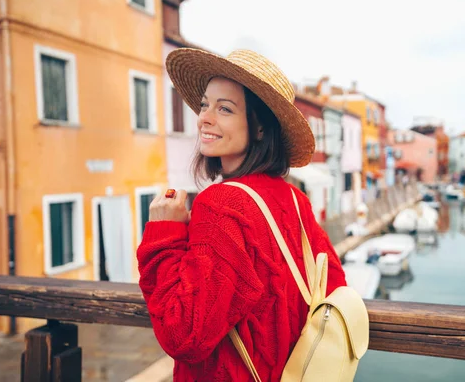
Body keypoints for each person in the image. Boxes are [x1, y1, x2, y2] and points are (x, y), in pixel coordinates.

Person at [136, 49, 347, 381]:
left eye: (225, 109)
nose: (204, 117)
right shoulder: (294, 199)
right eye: (205, 105)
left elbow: (185, 336)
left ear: (260, 128)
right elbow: (335, 287)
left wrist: (164, 234)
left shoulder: (220, 205)